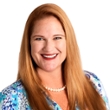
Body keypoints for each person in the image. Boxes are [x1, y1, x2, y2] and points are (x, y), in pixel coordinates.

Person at [0, 3, 109, 110]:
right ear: (29, 44)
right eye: (39, 39)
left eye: (57, 37)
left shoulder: (92, 83)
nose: (49, 48)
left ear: (68, 41)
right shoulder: (10, 98)